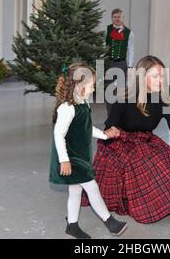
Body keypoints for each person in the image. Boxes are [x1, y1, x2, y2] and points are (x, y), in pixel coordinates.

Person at [83, 55, 170, 224]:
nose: (161, 80)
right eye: (156, 76)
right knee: (143, 161)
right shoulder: (123, 99)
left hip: (146, 141)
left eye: (162, 76)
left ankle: (162, 199)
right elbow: (109, 129)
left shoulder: (163, 101)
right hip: (120, 143)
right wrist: (111, 132)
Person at [50, 63, 127, 239]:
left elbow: (86, 128)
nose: (93, 89)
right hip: (72, 158)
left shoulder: (82, 103)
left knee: (76, 191)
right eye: (91, 85)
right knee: (92, 188)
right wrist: (64, 160)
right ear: (78, 85)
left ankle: (72, 225)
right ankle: (111, 223)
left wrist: (105, 135)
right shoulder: (67, 108)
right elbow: (58, 134)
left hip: (81, 155)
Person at [105, 9, 134, 112]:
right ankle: (110, 115)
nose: (117, 19)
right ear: (112, 18)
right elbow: (103, 47)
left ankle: (119, 116)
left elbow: (131, 50)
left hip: (122, 63)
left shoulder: (129, 33)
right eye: (115, 17)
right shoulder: (107, 30)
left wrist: (130, 66)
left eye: (119, 17)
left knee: (121, 91)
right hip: (110, 63)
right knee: (109, 90)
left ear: (122, 18)